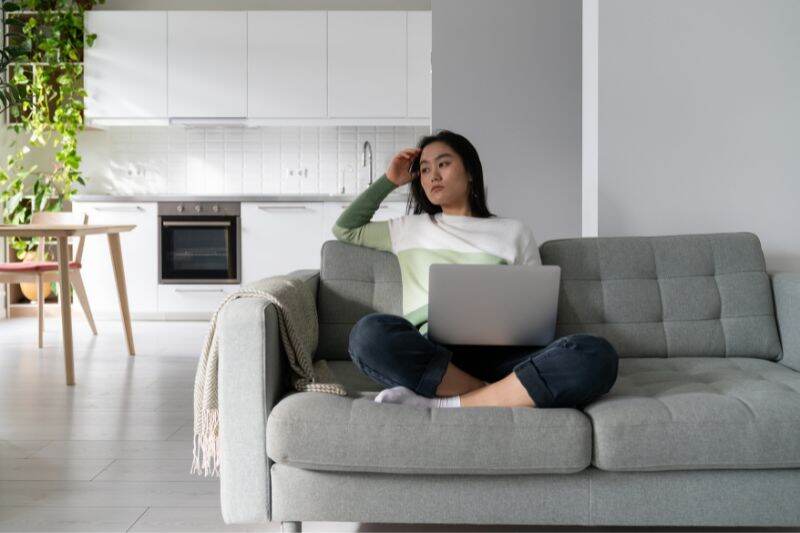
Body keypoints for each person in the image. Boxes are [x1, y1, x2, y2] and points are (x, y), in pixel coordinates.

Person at [332, 129, 618, 409]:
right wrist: (390, 180)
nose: (433, 175)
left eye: (443, 164)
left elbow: (536, 312)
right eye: (425, 168)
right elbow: (345, 228)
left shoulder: (513, 232)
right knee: (367, 335)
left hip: (507, 356)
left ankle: (447, 402)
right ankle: (495, 395)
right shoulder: (409, 229)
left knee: (596, 354)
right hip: (436, 357)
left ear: (470, 172)